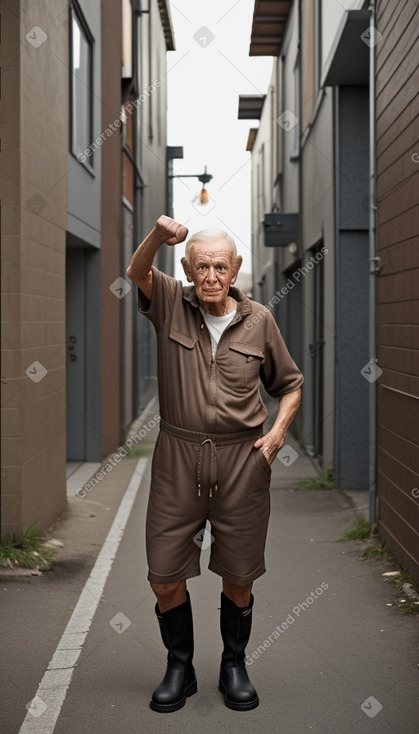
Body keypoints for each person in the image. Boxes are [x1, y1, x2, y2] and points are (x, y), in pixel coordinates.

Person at [126, 215, 303, 714]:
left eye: (219, 267)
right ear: (186, 268)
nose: (209, 276)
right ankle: (179, 667)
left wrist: (275, 437)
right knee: (163, 572)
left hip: (243, 459)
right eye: (201, 266)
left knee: (239, 572)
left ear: (236, 269)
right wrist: (160, 235)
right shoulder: (169, 304)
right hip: (177, 457)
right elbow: (135, 270)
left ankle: (233, 666)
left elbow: (290, 383)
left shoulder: (260, 320)